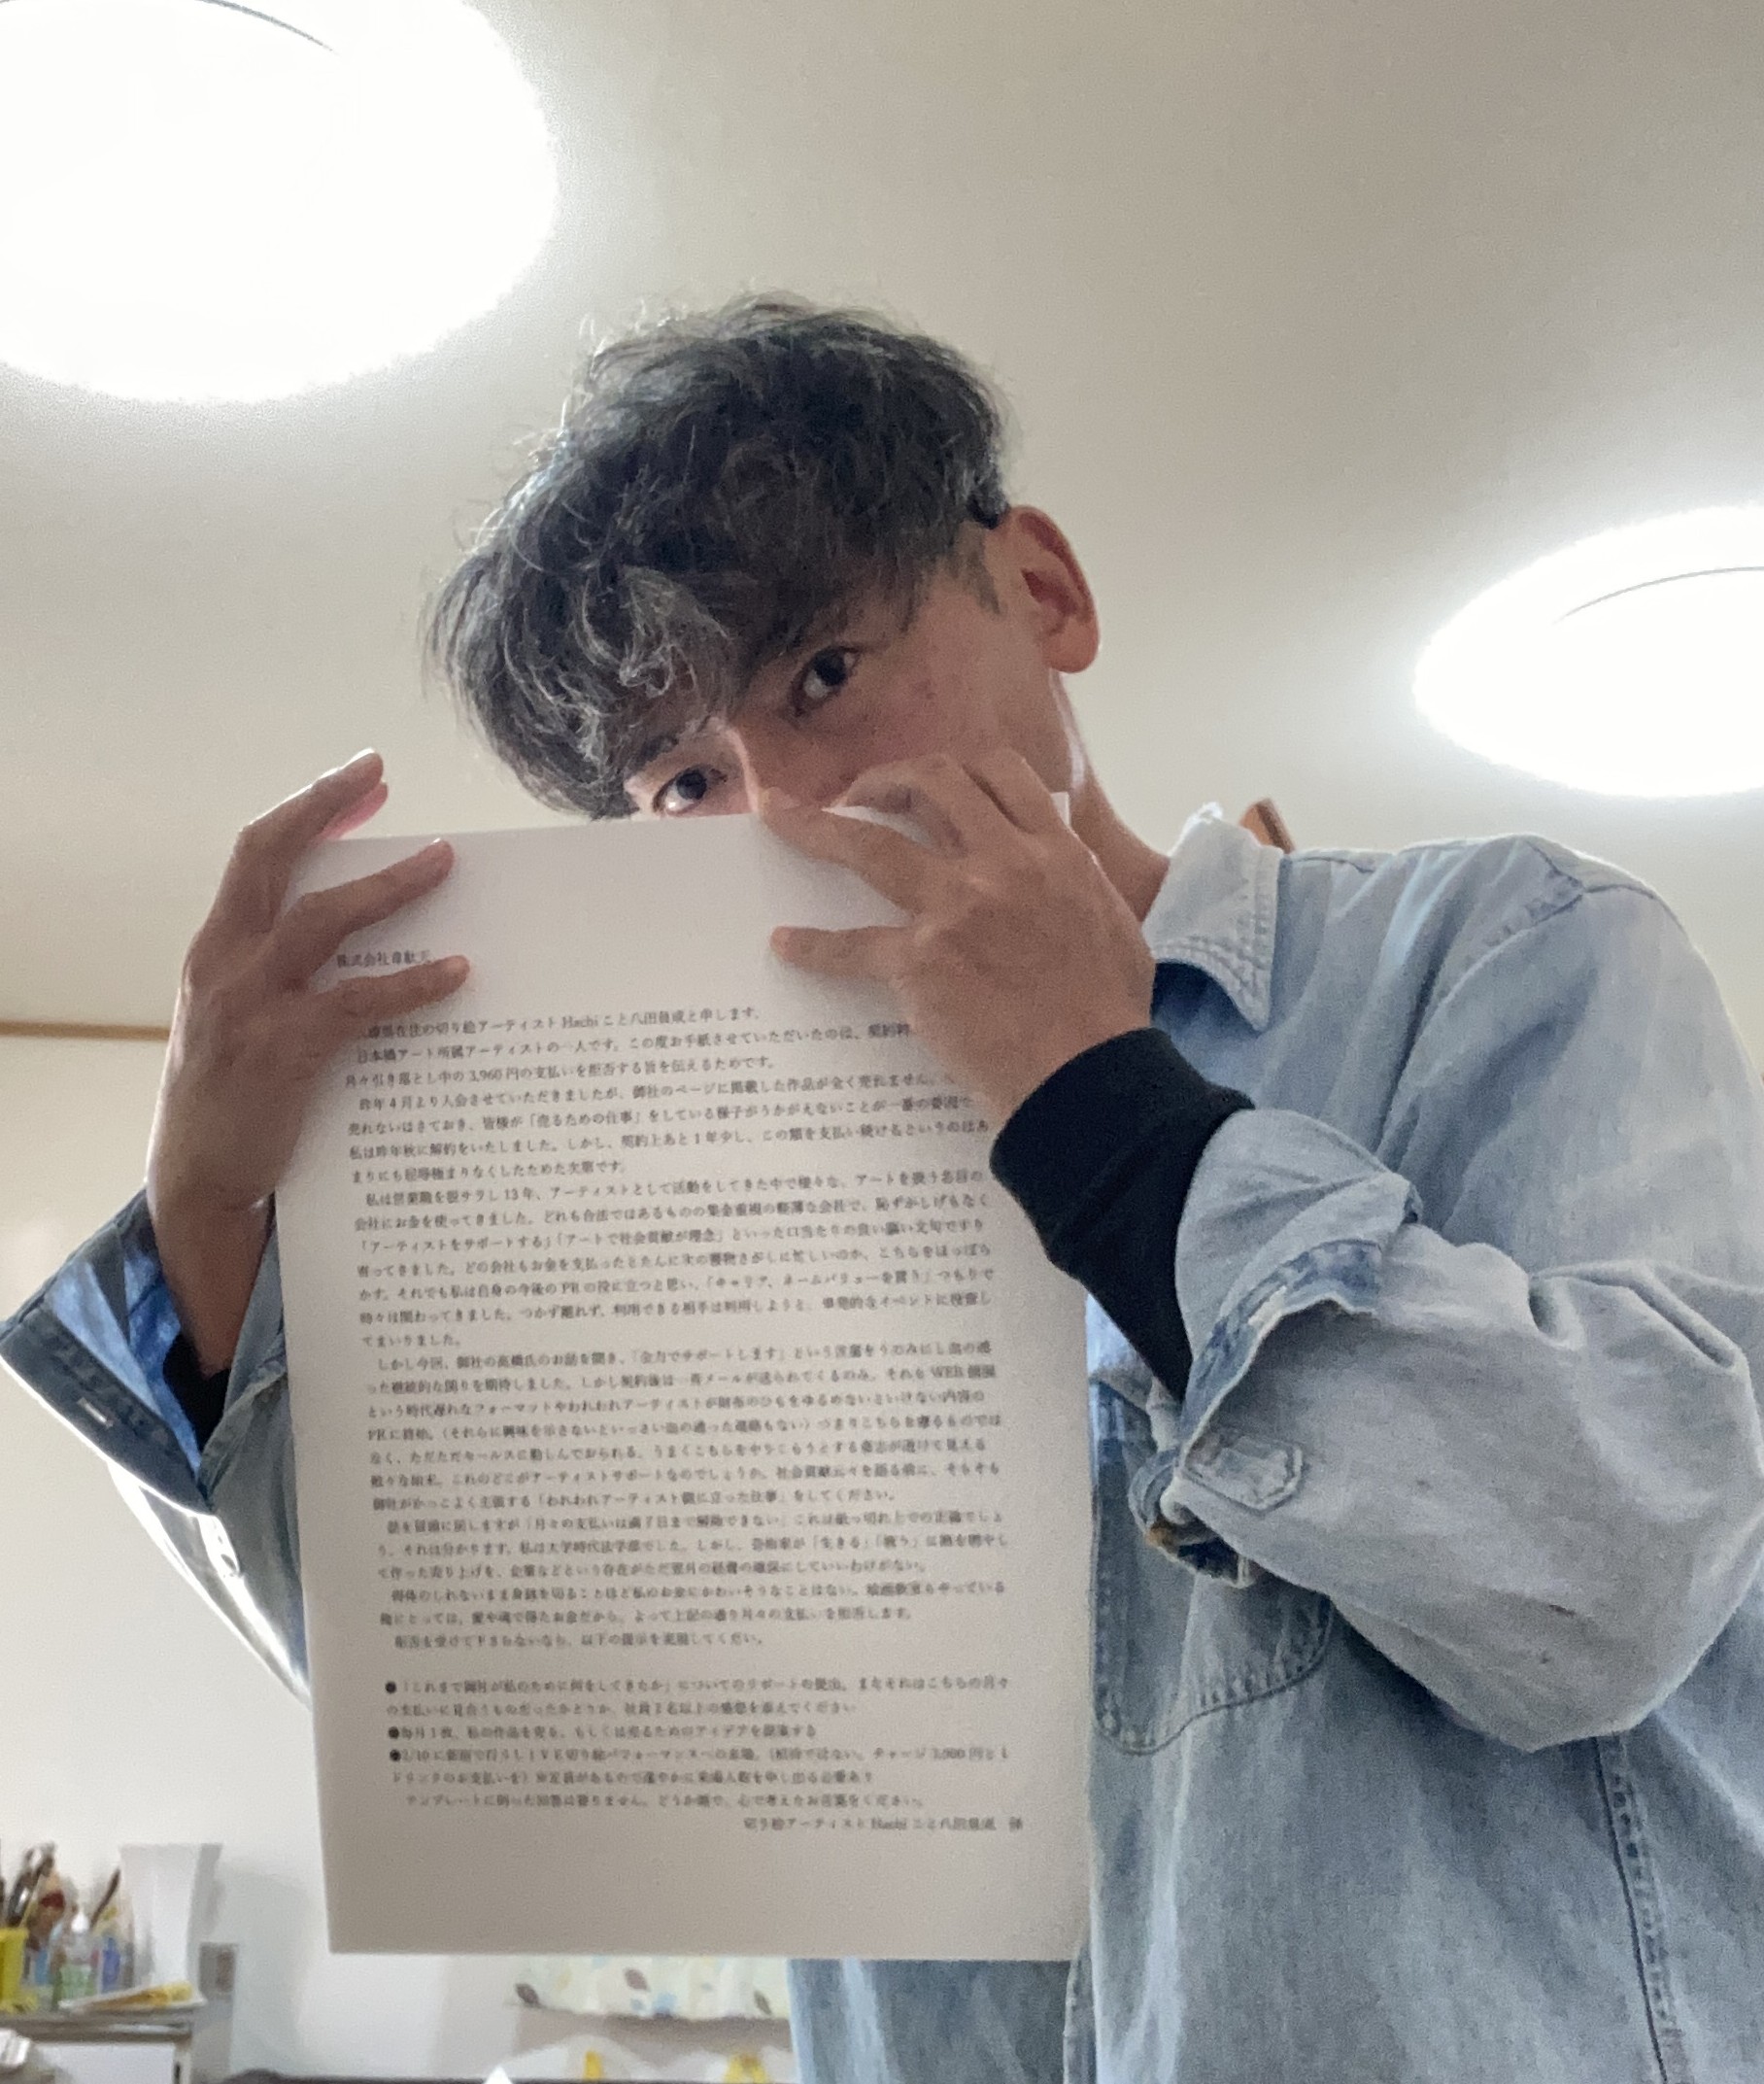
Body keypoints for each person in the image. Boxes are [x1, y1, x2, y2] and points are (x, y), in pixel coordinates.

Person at [6, 297, 1764, 2084]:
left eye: (825, 674)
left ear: (1044, 593)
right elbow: (493, 1733)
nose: (779, 807)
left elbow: (1614, 1577)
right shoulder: (696, 1200)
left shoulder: (1499, 949)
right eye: (683, 780)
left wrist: (1098, 1107)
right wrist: (209, 1213)